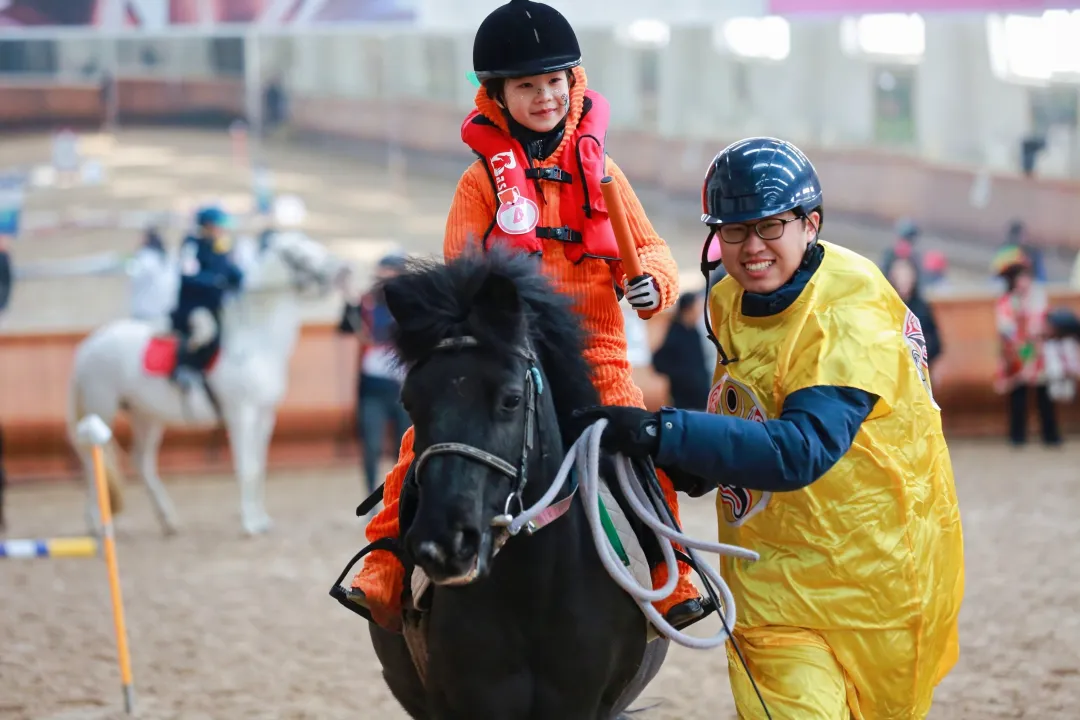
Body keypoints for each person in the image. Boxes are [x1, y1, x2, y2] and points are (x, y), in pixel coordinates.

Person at [575, 137, 965, 719]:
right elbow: (744, 413)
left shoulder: (849, 312)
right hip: (770, 587)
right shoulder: (727, 300)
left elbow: (800, 450)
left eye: (770, 227)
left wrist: (664, 433)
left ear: (811, 224)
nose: (752, 247)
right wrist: (673, 460)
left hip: (878, 585)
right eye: (734, 230)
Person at [346, 0, 704, 633]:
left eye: (554, 82)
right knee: (422, 439)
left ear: (573, 83)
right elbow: (462, 274)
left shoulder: (606, 173)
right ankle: (386, 563)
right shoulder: (479, 183)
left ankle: (670, 569)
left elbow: (649, 250)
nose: (545, 97)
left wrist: (654, 286)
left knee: (635, 447)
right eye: (527, 86)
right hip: (507, 352)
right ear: (498, 96)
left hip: (595, 353)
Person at [338, 252, 411, 497]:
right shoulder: (366, 303)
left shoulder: (412, 304)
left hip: (404, 388)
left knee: (404, 449)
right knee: (371, 446)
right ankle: (371, 496)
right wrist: (348, 299)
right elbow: (346, 326)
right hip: (372, 388)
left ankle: (400, 498)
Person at [991, 245, 1061, 446]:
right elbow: (1007, 330)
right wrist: (1023, 352)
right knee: (1018, 395)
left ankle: (1050, 435)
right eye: (1019, 277)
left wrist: (1036, 337)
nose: (1023, 281)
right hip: (1016, 355)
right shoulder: (1006, 302)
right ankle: (1017, 436)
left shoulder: (1038, 297)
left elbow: (1044, 323)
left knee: (1044, 395)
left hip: (1038, 353)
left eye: (1026, 276)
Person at [169, 206, 244, 391]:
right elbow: (187, 275)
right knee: (205, 331)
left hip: (216, 306)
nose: (222, 229)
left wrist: (241, 279)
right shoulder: (191, 245)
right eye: (219, 225)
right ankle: (183, 366)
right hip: (194, 306)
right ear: (208, 225)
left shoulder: (221, 245)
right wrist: (214, 281)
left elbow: (231, 271)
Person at [652, 292, 710, 410]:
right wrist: (684, 377)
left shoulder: (694, 332)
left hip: (700, 397)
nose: (699, 312)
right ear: (688, 309)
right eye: (697, 307)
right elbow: (659, 361)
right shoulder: (676, 333)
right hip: (684, 400)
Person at [888, 256, 943, 374]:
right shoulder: (887, 306)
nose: (904, 280)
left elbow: (936, 343)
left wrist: (919, 355)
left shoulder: (921, 307)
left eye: (907, 275)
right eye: (899, 275)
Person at [127, 225, 176, 323]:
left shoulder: (145, 258)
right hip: (163, 313)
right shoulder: (168, 258)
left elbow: (132, 273)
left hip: (145, 314)